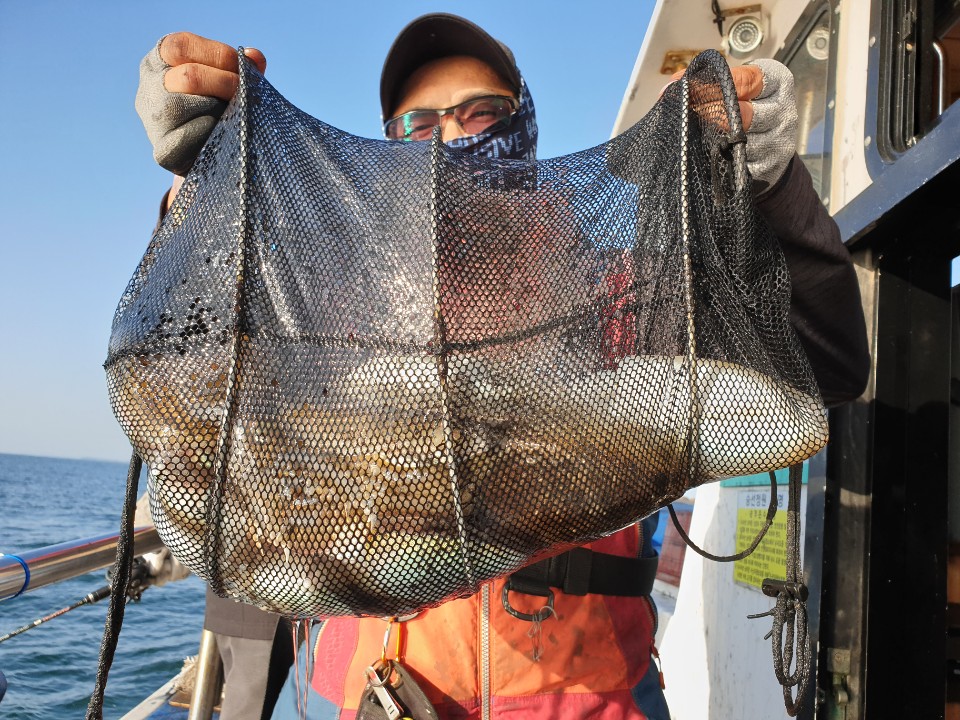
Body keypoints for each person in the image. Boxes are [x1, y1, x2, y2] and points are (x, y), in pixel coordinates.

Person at [134, 13, 869, 720]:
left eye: (481, 113)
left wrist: (771, 187)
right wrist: (199, 193)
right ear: (388, 148)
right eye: (419, 126)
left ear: (526, 124)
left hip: (587, 698)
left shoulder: (619, 287)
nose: (450, 138)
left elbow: (820, 368)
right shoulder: (330, 298)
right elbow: (196, 379)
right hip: (367, 694)